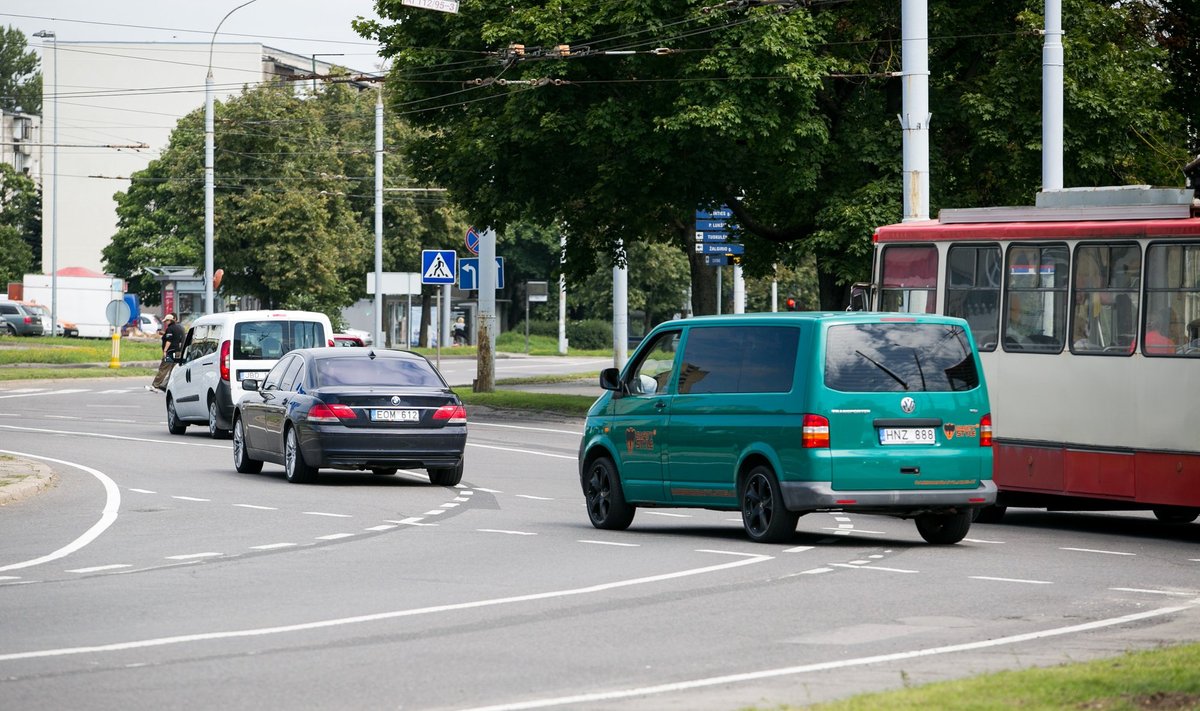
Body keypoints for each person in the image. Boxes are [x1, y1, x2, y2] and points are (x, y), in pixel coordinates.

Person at [150, 313, 184, 391]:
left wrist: (165, 351)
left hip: (170, 353)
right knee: (173, 369)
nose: (165, 322)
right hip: (178, 352)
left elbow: (169, 340)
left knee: (164, 368)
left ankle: (155, 385)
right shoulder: (180, 328)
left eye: (166, 321)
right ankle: (167, 385)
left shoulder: (170, 329)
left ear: (170, 320)